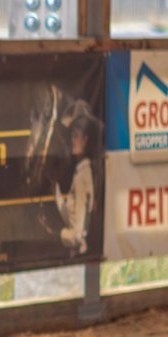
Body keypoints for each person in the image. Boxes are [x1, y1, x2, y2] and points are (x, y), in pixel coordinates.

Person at [54, 100, 99, 255]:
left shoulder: (82, 178)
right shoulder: (81, 173)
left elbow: (77, 234)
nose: (72, 141)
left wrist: (59, 234)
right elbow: (73, 217)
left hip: (77, 253)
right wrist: (58, 199)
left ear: (85, 140)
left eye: (76, 136)